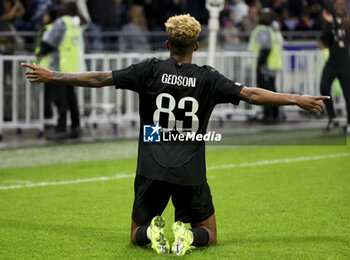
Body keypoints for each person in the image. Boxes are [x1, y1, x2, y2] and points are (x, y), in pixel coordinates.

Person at [22, 14, 329, 256]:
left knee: (134, 235)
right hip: (189, 172)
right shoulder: (208, 78)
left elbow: (100, 78)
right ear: (195, 46)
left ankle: (152, 234)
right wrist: (297, 98)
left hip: (151, 168)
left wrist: (52, 75)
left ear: (167, 44)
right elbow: (250, 94)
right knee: (208, 236)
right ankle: (186, 236)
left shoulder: (150, 70)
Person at [36, 1, 84, 140]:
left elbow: (50, 43)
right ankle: (75, 127)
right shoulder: (75, 24)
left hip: (58, 68)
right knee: (71, 100)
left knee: (60, 100)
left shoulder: (61, 22)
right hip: (73, 68)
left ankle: (61, 129)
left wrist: (41, 51)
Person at [319, 0, 350, 133]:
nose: (338, 7)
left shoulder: (348, 21)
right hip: (332, 61)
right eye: (336, 4)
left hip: (345, 62)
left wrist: (337, 25)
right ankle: (333, 118)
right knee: (324, 88)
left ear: (345, 6)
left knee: (348, 94)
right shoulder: (329, 22)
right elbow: (324, 39)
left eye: (341, 4)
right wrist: (331, 24)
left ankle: (349, 123)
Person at [248, 8, 283, 122]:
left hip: (265, 66)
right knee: (272, 91)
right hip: (272, 65)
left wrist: (259, 63)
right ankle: (274, 114)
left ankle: (268, 116)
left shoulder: (262, 30)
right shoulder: (273, 31)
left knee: (265, 93)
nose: (261, 17)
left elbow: (266, 48)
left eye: (265, 15)